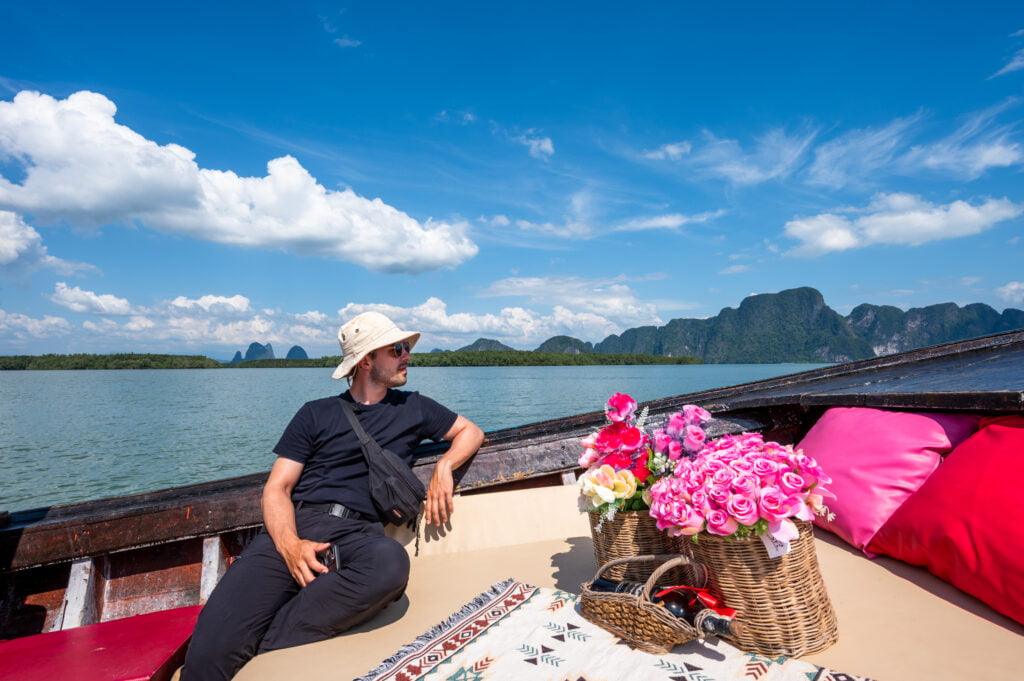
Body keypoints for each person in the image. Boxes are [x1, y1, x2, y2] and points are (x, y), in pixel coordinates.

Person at [181, 312, 484, 681]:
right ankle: (251, 639)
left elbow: (470, 431)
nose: (407, 355)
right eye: (397, 348)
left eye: (405, 347)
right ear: (366, 360)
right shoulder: (315, 414)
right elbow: (278, 488)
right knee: (206, 655)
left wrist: (444, 467)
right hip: (298, 527)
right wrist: (291, 546)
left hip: (360, 538)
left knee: (390, 563)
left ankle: (262, 653)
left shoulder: (413, 408)